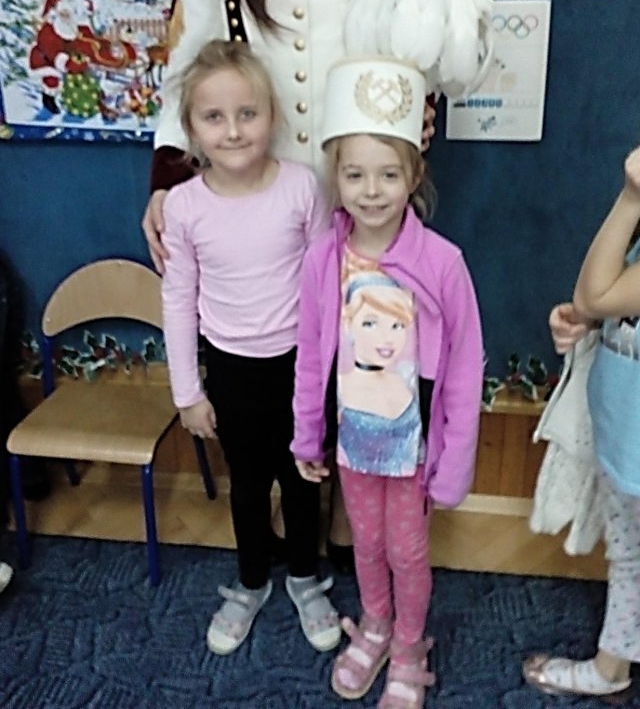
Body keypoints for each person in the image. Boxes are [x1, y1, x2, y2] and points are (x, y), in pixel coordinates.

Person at [142, 0, 435, 572]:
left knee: (366, 359)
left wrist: (419, 121)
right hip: (257, 203)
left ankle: (348, 521)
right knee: (274, 366)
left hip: (362, 199)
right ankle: (285, 505)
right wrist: (167, 178)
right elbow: (187, 64)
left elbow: (417, 63)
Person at [291, 51, 484, 707]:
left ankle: (407, 643)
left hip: (412, 453)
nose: (370, 191)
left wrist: (455, 463)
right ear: (336, 178)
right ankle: (375, 625)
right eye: (354, 174)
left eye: (388, 174)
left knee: (407, 551)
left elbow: (464, 369)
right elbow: (310, 355)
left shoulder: (442, 263)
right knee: (366, 544)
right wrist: (306, 435)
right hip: (354, 444)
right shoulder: (324, 260)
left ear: (414, 175)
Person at [161, 38, 341, 656]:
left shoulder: (302, 188)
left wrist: (328, 374)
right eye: (214, 117)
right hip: (231, 370)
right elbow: (178, 299)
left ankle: (304, 577)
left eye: (247, 114)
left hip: (299, 366)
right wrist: (187, 393)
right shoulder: (184, 206)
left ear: (272, 116)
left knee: (301, 478)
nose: (233, 130)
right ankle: (251, 580)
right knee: (248, 483)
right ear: (192, 129)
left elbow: (325, 284)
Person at [523, 145, 640, 700]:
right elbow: (599, 302)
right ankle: (612, 667)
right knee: (629, 556)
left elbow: (593, 294)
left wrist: (632, 195)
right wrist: (589, 326)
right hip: (623, 445)